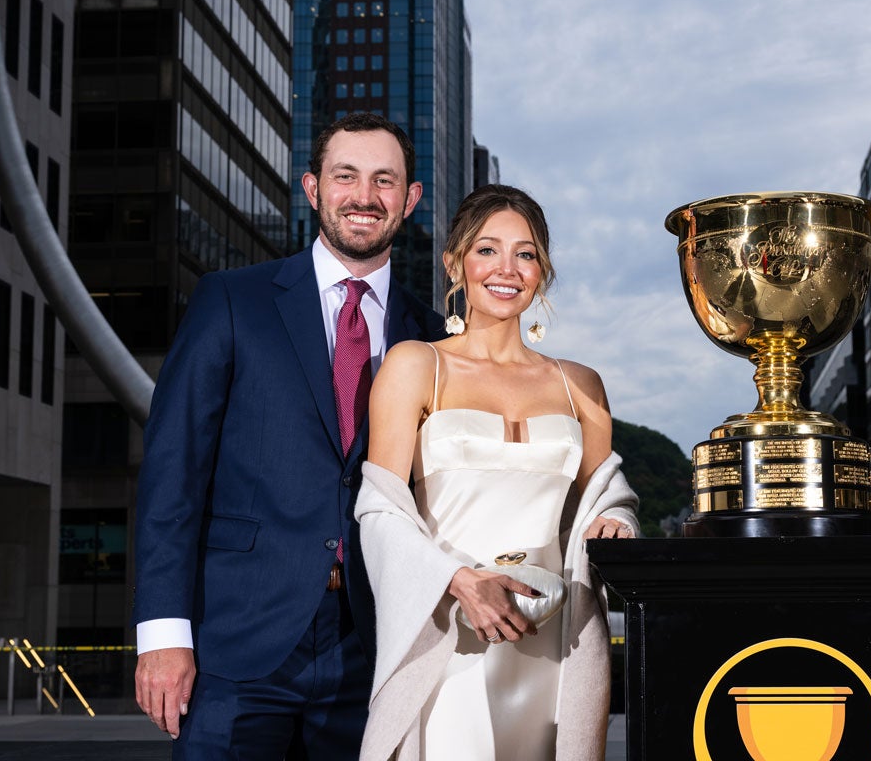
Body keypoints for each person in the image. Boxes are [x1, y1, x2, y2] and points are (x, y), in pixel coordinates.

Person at [131, 112, 446, 758]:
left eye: (385, 180)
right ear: (312, 188)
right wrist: (163, 632)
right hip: (236, 643)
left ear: (410, 200)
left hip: (377, 646)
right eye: (345, 176)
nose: (364, 196)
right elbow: (173, 475)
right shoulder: (230, 301)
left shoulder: (435, 337)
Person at [354, 184, 640, 760]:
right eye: (487, 250)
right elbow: (380, 507)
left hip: (555, 637)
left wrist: (615, 521)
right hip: (450, 630)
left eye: (526, 253)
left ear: (543, 270)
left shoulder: (580, 385)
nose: (507, 269)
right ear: (455, 262)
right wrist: (459, 582)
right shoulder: (415, 364)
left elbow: (602, 497)